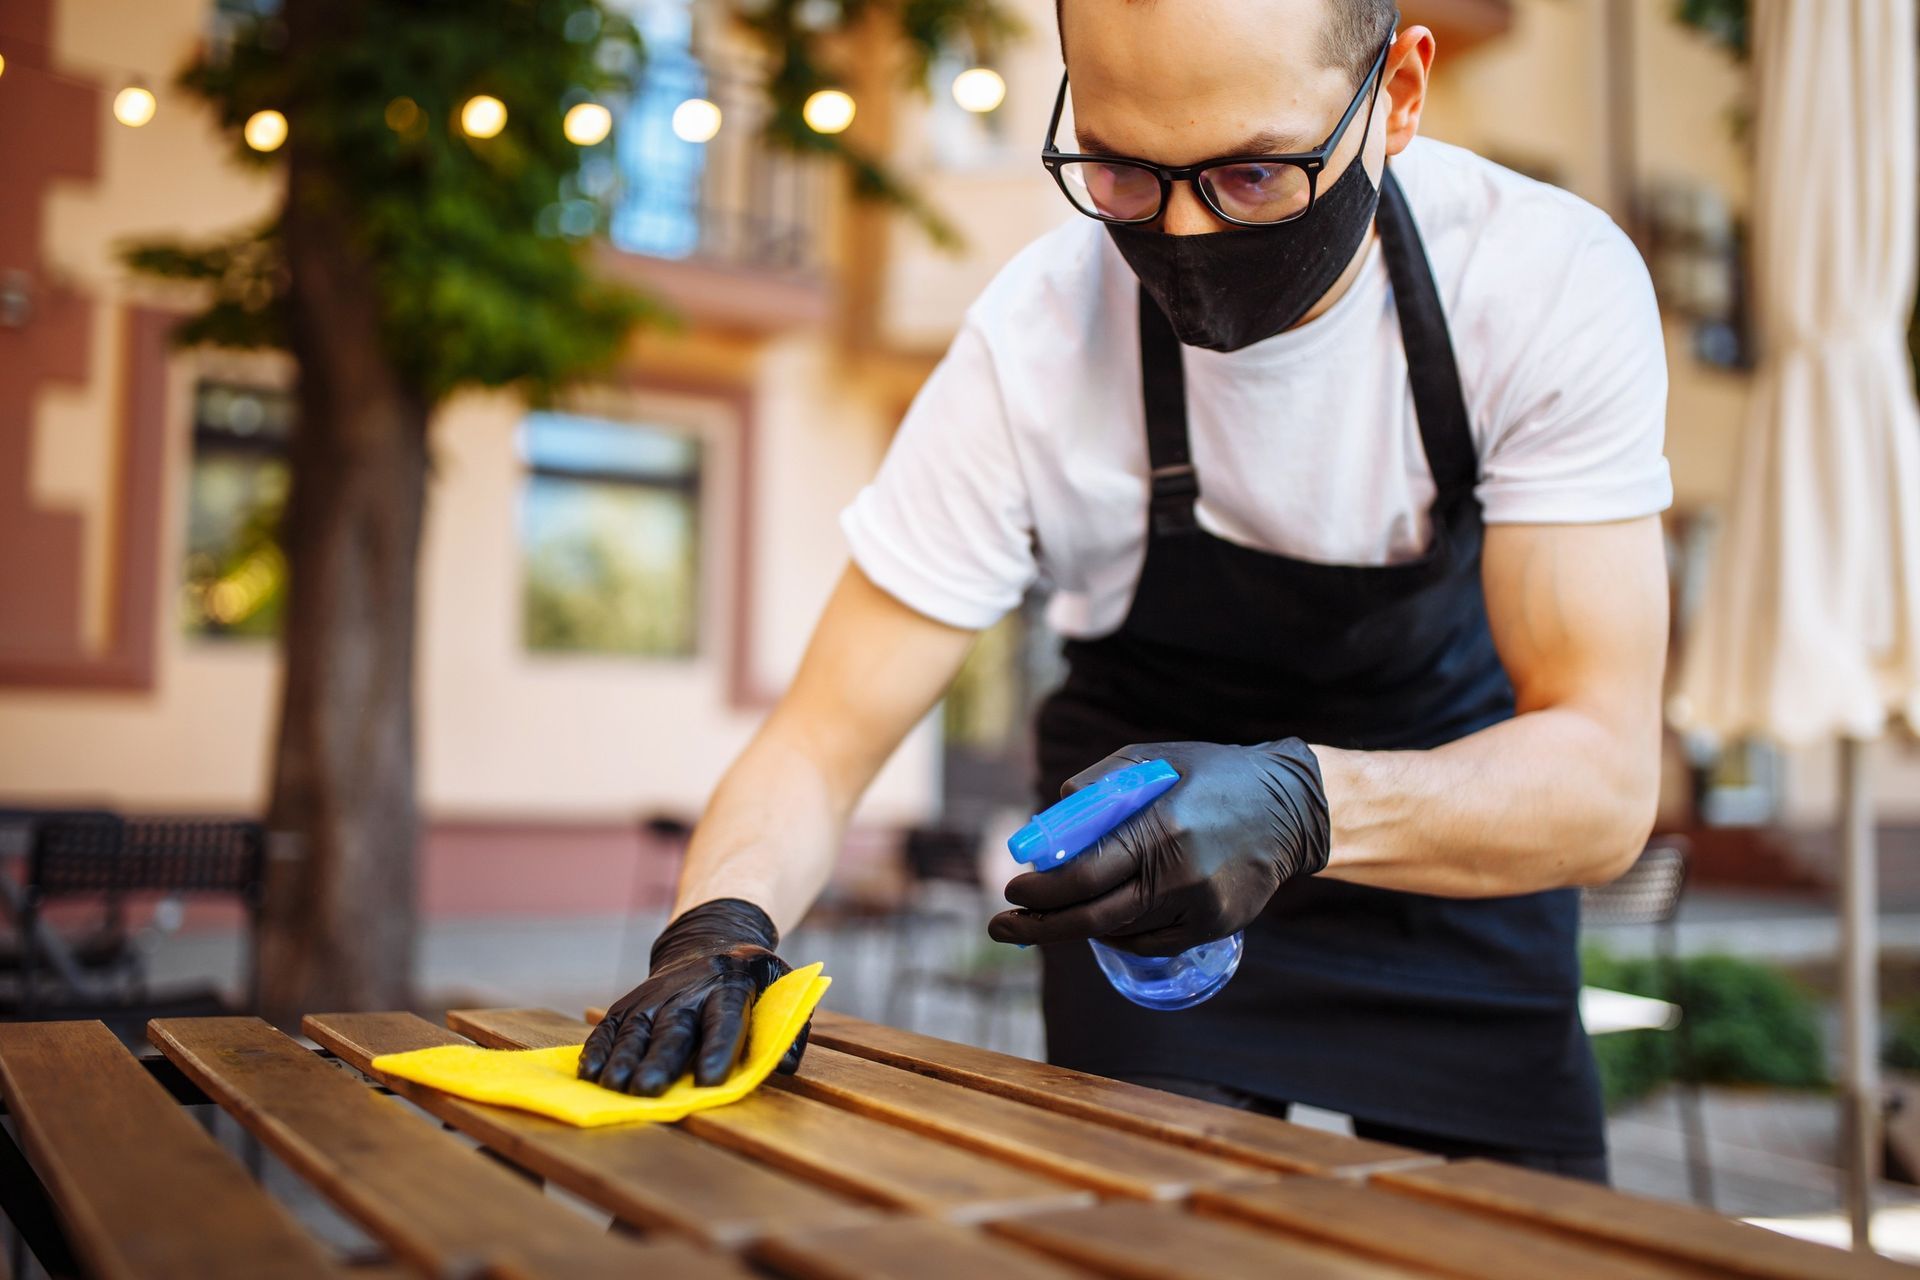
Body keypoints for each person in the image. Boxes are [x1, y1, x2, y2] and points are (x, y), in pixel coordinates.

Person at [580, 0, 1670, 1183]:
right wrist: (719, 929)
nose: (1186, 230)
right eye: (1122, 172)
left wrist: (1303, 803)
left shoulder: (1542, 282)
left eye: (1254, 173)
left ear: (1397, 95)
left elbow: (1605, 788)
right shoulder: (1034, 343)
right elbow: (821, 743)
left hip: (1453, 864)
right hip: (1143, 920)